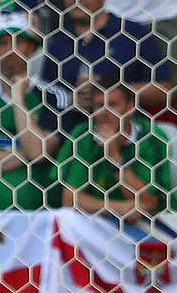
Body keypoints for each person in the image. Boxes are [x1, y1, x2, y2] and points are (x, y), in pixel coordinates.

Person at [0, 14, 77, 211]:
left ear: (32, 47)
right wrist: (24, 152)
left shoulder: (55, 97)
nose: (11, 50)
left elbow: (39, 152)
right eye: (3, 43)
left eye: (19, 42)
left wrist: (18, 99)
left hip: (44, 214)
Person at [43, 0, 171, 114]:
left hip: (126, 132)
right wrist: (70, 100)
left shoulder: (133, 35)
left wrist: (112, 90)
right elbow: (45, 94)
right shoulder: (58, 44)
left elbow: (164, 90)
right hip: (73, 132)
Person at [59, 77, 174, 222]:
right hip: (99, 221)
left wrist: (114, 156)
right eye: (99, 105)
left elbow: (149, 204)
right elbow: (69, 199)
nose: (104, 112)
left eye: (113, 105)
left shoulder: (151, 137)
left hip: (153, 225)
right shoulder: (83, 135)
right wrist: (117, 208)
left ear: (131, 106)